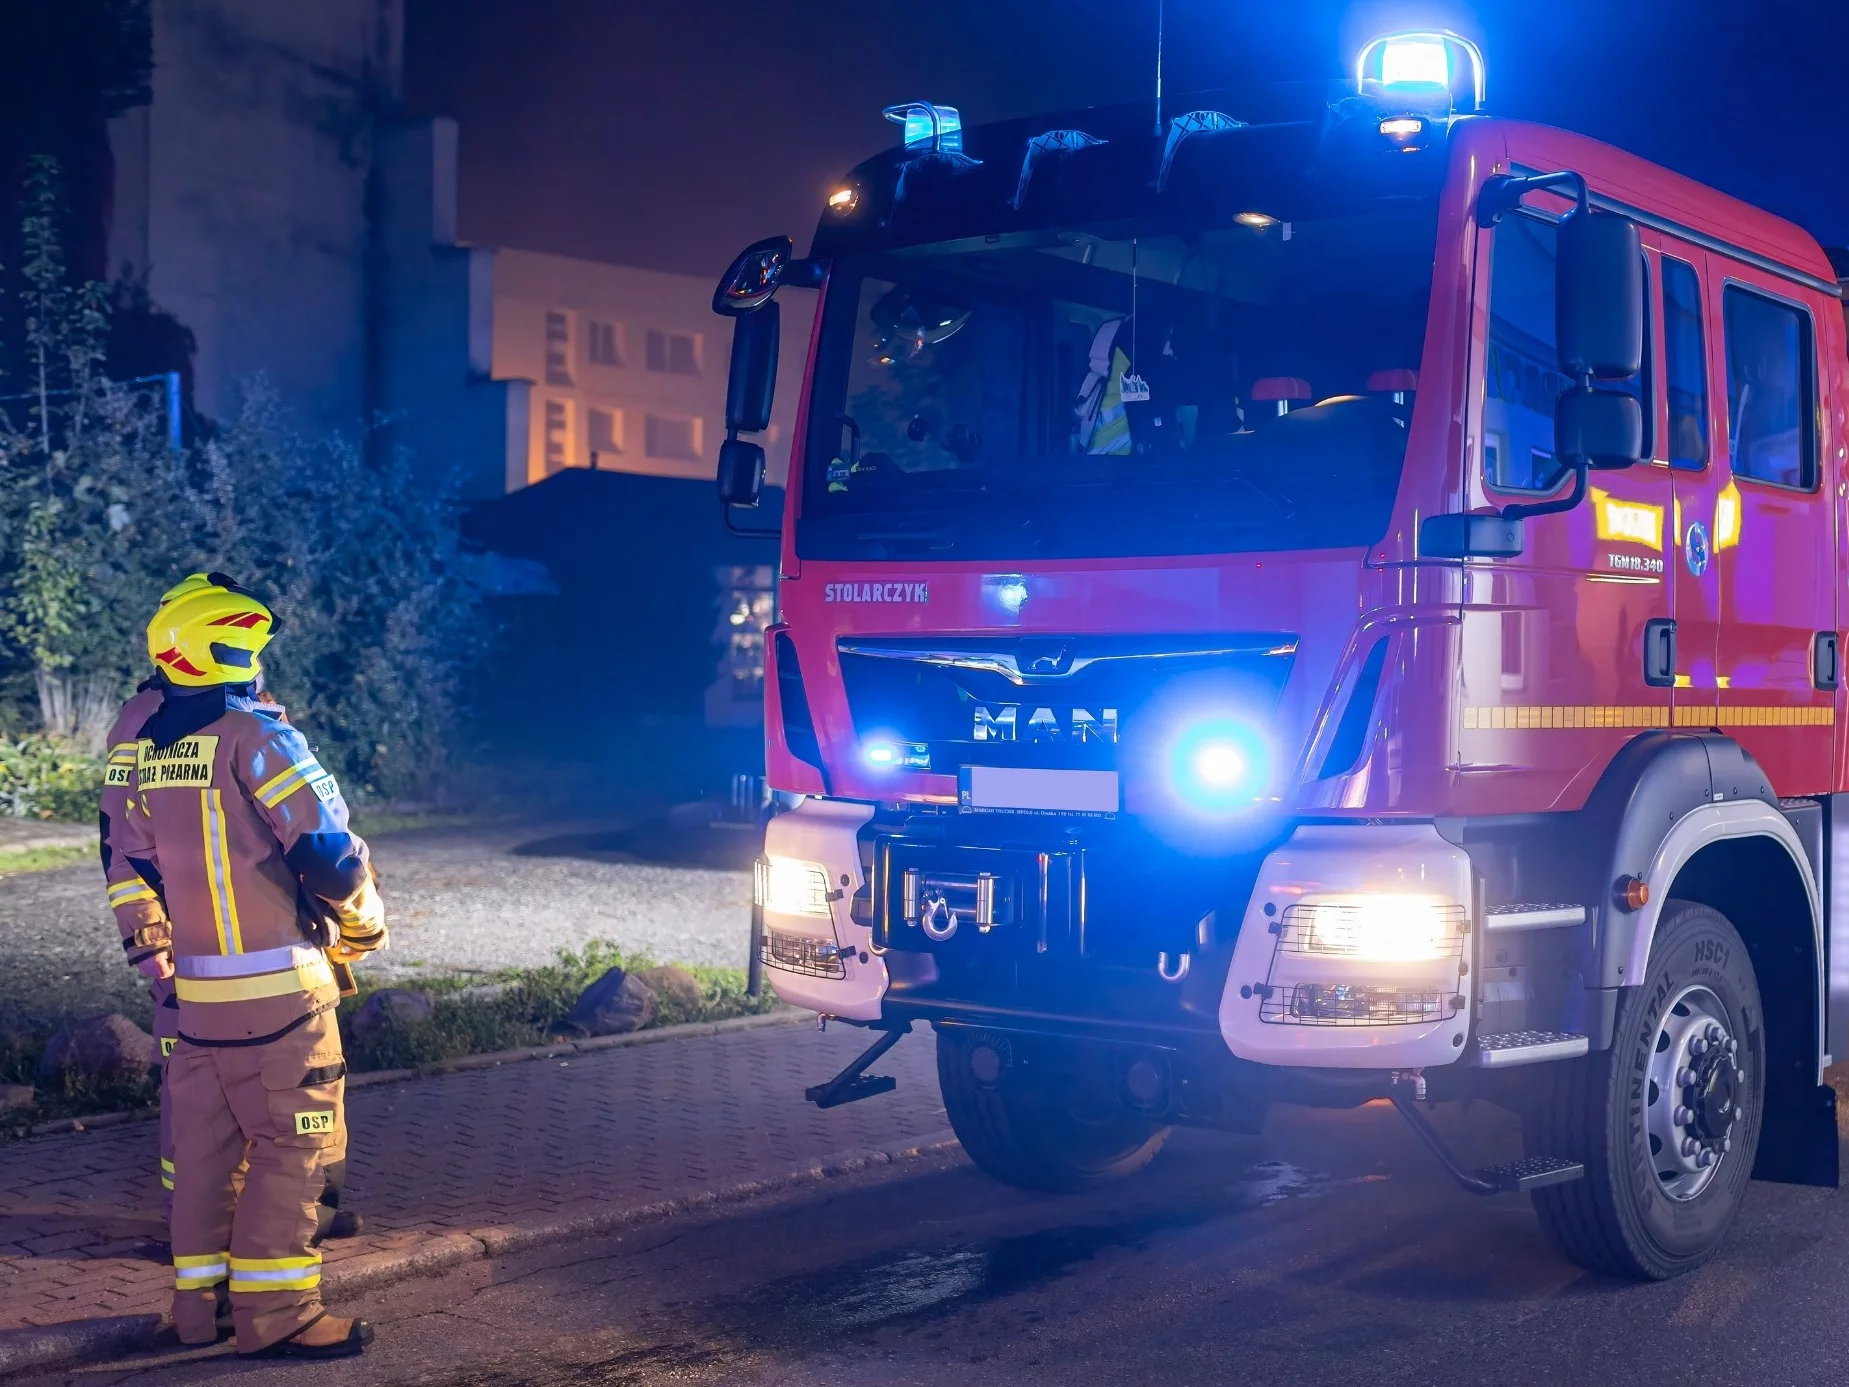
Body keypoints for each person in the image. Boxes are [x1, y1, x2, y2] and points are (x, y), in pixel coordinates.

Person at [114, 572, 387, 1359]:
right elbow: (329, 856)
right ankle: (280, 1317)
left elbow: (135, 862)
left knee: (204, 1157)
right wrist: (362, 929)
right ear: (229, 649)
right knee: (292, 1150)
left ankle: (201, 1312)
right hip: (282, 1003)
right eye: (252, 649)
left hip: (197, 999)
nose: (259, 664)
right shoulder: (257, 737)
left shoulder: (150, 750)